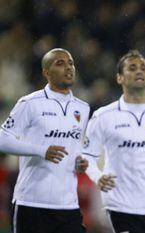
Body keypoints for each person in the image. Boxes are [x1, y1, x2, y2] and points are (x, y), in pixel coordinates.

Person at [82, 50, 145, 233]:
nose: (139, 71)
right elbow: (87, 156)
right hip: (122, 205)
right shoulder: (103, 116)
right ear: (119, 78)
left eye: (143, 68)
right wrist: (97, 177)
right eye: (132, 68)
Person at [0, 48, 90, 233]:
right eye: (60, 63)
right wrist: (41, 151)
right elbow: (2, 139)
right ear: (46, 72)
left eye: (71, 63)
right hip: (32, 203)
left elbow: (73, 147)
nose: (68, 67)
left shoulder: (82, 108)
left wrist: (80, 160)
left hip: (68, 206)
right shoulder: (30, 103)